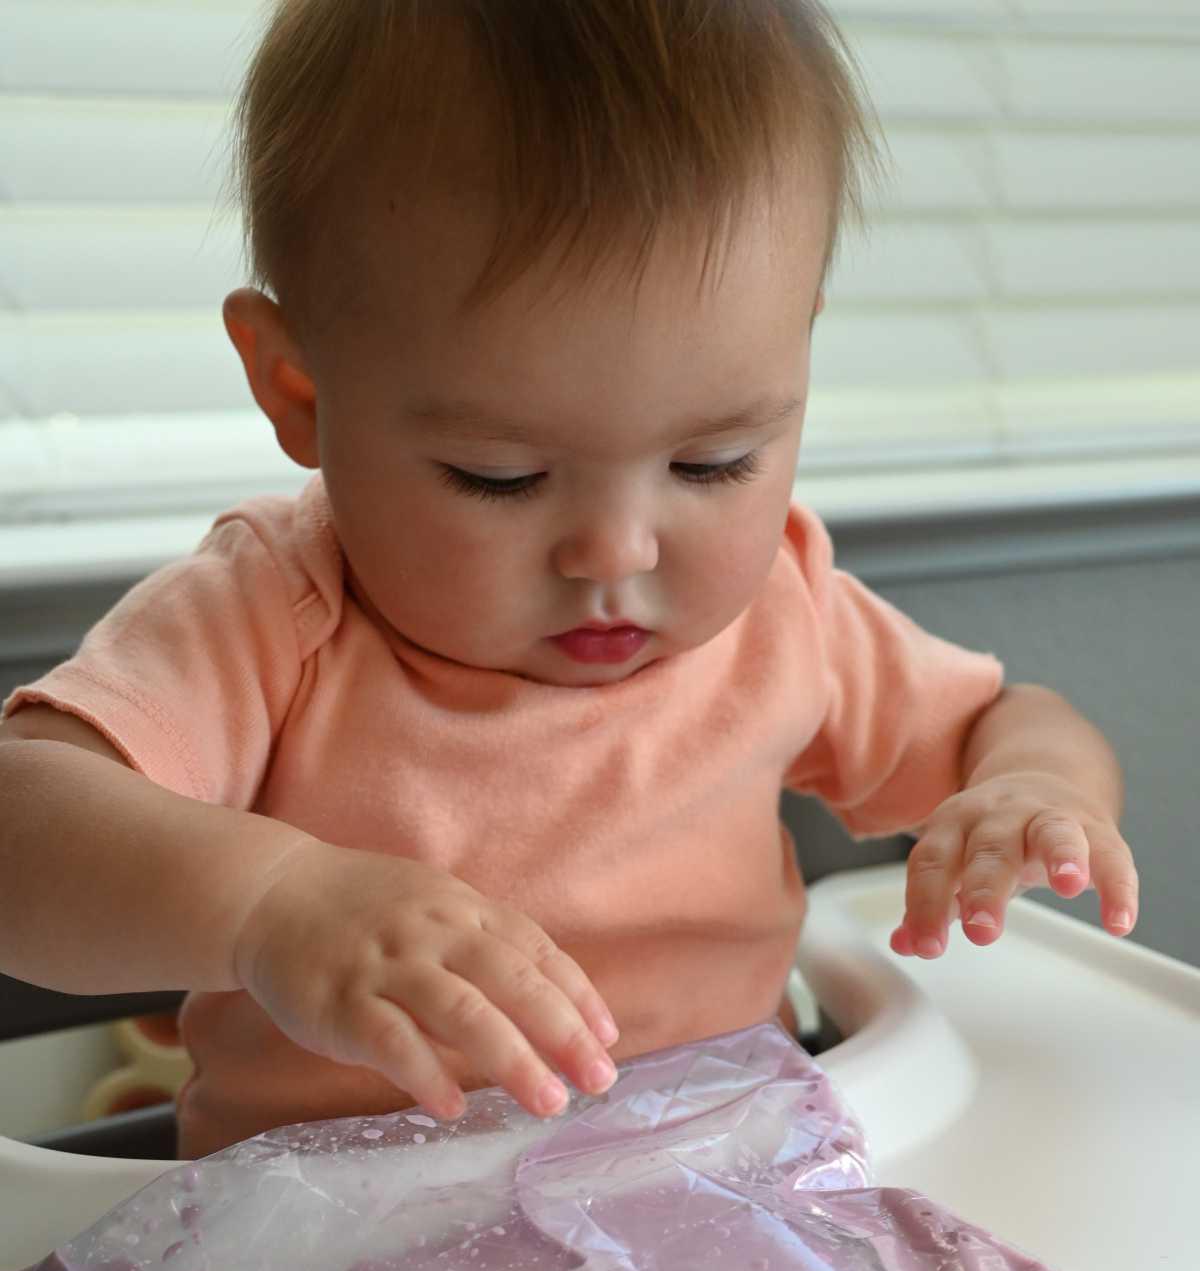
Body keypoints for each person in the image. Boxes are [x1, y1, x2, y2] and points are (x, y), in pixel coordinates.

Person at [0, 0, 1138, 1160]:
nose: (617, 553)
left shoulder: (784, 611)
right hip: (337, 1260)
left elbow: (1009, 719)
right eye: (500, 476)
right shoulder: (273, 620)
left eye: (713, 462)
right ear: (300, 391)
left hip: (718, 1193)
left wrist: (1034, 790)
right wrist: (267, 904)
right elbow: (20, 829)